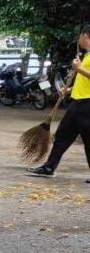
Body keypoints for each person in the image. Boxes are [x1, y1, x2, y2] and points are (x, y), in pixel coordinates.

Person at [28, 26, 90, 177]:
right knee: (62, 135)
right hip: (78, 103)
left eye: (80, 35)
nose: (78, 39)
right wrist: (70, 90)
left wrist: (79, 68)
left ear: (85, 35)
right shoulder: (87, 56)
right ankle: (49, 167)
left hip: (88, 105)